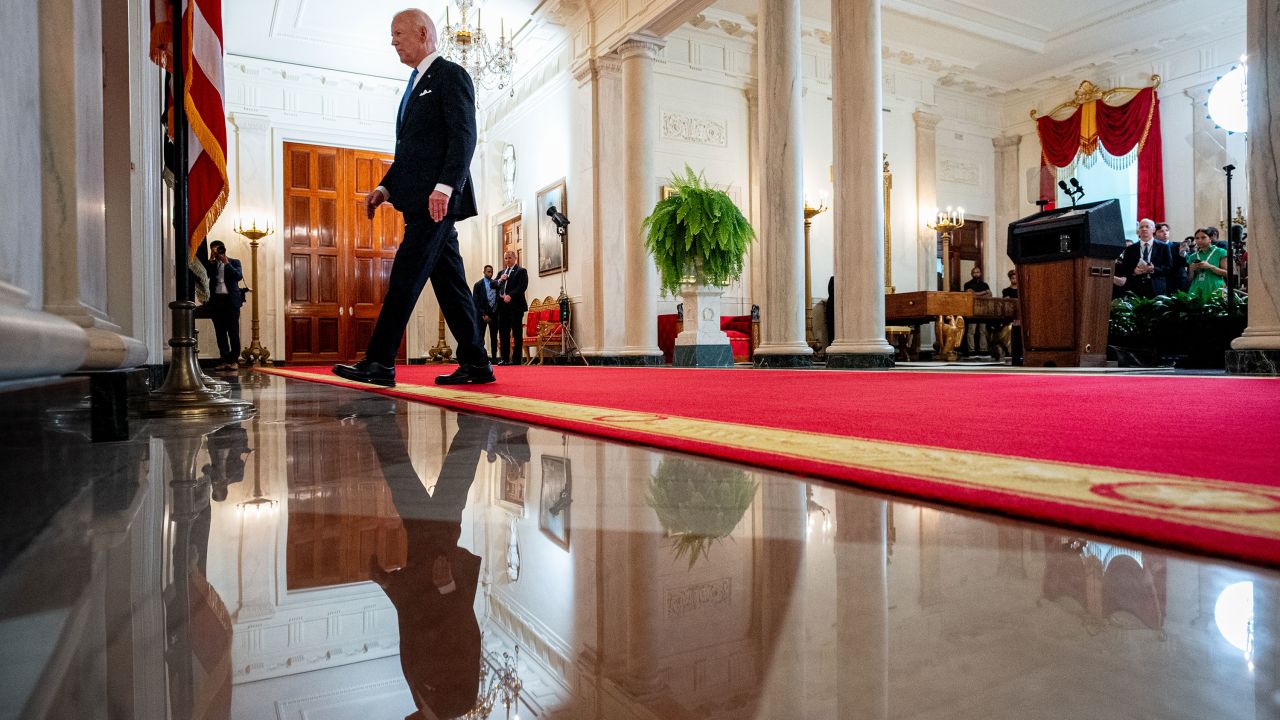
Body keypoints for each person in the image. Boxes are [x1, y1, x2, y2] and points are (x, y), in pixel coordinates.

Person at [333, 8, 493, 388]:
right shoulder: (413, 84)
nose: (393, 41)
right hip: (421, 198)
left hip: (435, 202)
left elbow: (464, 136)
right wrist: (385, 187)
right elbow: (410, 151)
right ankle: (476, 363)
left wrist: (445, 186)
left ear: (422, 33)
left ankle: (379, 362)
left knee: (404, 276)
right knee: (452, 285)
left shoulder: (450, 75)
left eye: (398, 33)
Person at [354, 398, 486, 720]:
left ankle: (474, 423)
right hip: (439, 567)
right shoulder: (458, 701)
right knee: (415, 484)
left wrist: (388, 584)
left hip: (422, 562)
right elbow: (466, 638)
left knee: (436, 486)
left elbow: (414, 622)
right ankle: (378, 417)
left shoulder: (419, 697)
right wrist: (449, 588)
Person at [202, 240, 245, 370]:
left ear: (224, 249)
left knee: (233, 332)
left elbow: (238, 276)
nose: (217, 252)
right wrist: (211, 258)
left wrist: (226, 262)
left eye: (219, 249)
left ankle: (234, 361)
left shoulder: (234, 262)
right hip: (217, 302)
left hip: (231, 302)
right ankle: (225, 360)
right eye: (214, 249)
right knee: (220, 333)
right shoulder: (212, 264)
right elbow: (206, 275)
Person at [1116, 218, 1171, 297]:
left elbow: (1168, 268)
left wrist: (1153, 269)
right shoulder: (1130, 248)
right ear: (1138, 231)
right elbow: (1125, 268)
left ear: (1154, 230)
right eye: (1141, 227)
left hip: (1156, 287)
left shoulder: (1163, 247)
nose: (1144, 229)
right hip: (1135, 287)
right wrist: (1134, 271)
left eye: (1147, 226)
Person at [494, 250, 528, 365]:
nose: (507, 260)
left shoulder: (521, 271)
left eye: (509, 258)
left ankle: (516, 359)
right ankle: (504, 358)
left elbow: (522, 286)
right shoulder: (502, 272)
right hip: (502, 307)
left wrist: (510, 295)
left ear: (515, 258)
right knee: (503, 333)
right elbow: (492, 284)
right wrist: (500, 280)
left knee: (516, 333)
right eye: (505, 258)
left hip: (515, 307)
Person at [1187, 227, 1228, 300]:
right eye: (1197, 238)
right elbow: (1190, 278)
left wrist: (1210, 267)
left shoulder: (1220, 252)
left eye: (1203, 237)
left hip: (1216, 287)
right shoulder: (1192, 256)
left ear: (1210, 238)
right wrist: (1192, 270)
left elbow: (1227, 273)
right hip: (1197, 288)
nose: (1200, 240)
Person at [961, 266, 991, 356]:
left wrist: (976, 293)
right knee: (971, 331)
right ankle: (971, 350)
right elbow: (970, 295)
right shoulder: (967, 284)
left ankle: (983, 349)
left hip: (983, 310)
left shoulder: (985, 284)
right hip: (971, 309)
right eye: (974, 272)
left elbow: (990, 295)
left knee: (983, 331)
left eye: (978, 272)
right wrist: (984, 292)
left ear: (980, 273)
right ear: (972, 274)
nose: (976, 274)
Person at [471, 264, 499, 361]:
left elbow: (497, 299)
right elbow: (475, 301)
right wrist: (483, 314)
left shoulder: (495, 284)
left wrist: (494, 312)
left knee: (494, 336)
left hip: (493, 314)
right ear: (484, 272)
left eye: (491, 272)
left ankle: (495, 357)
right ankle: (480, 357)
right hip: (482, 315)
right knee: (480, 336)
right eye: (488, 271)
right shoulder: (478, 285)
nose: (490, 273)